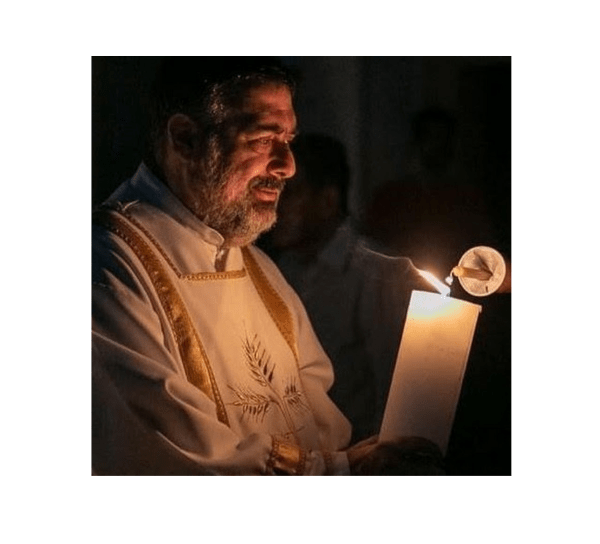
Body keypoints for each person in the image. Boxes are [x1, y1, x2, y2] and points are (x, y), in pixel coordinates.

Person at [92, 57, 442, 475]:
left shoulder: (259, 268)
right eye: (262, 139)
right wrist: (341, 470)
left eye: (288, 140)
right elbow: (166, 451)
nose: (287, 166)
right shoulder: (106, 265)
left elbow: (319, 424)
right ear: (185, 139)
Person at [262, 134, 433, 442]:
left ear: (327, 200)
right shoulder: (280, 267)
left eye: (290, 193)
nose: (275, 205)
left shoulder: (375, 274)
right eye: (272, 189)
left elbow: (395, 388)